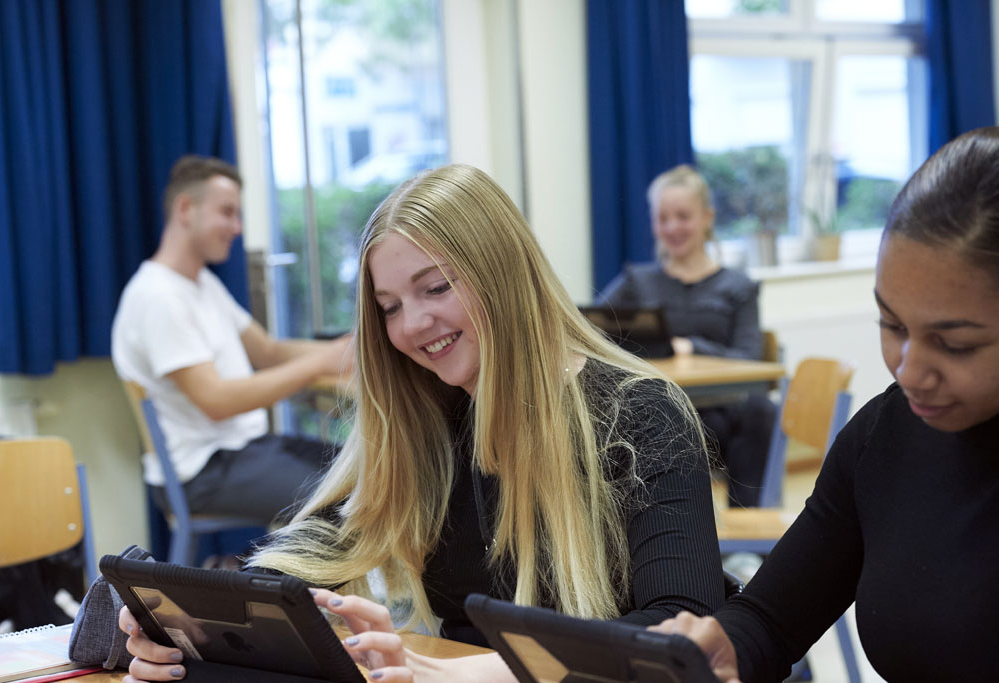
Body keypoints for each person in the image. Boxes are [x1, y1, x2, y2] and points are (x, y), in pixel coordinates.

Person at [118, 163, 724, 682]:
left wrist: (478, 671)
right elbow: (323, 545)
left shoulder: (642, 414)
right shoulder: (431, 411)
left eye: (434, 288)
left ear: (501, 273)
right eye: (389, 308)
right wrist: (192, 625)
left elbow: (680, 632)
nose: (410, 327)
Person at [651, 126, 999, 682]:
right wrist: (726, 648)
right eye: (892, 324)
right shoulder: (883, 437)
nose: (907, 369)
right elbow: (773, 616)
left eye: (954, 344)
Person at [112, 155, 350, 524]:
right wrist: (318, 364)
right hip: (204, 472)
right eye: (227, 212)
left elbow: (268, 351)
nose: (237, 228)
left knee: (363, 468)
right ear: (186, 209)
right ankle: (310, 581)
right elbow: (217, 401)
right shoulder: (158, 297)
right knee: (354, 493)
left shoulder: (202, 284)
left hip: (242, 452)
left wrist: (349, 351)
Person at [597, 165, 777, 507]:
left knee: (760, 411)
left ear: (707, 217)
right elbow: (591, 326)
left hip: (718, 419)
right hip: (653, 412)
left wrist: (691, 347)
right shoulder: (637, 282)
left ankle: (748, 538)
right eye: (663, 218)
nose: (672, 227)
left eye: (683, 216)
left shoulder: (738, 287)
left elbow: (750, 357)